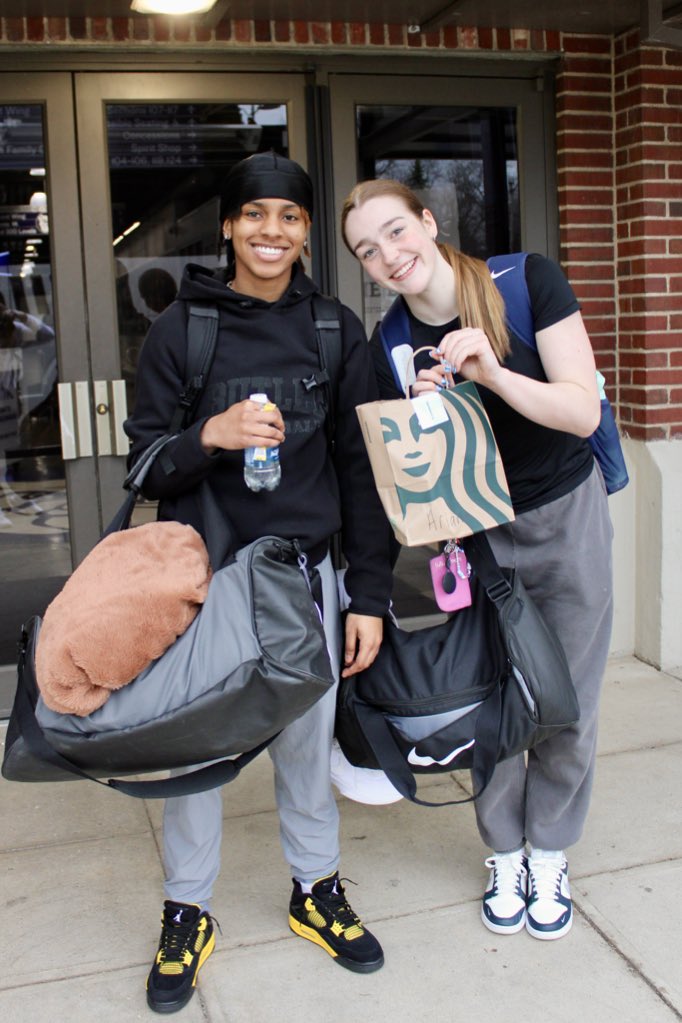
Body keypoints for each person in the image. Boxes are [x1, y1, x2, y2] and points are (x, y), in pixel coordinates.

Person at [125, 152, 392, 1013]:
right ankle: (187, 908)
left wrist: (371, 595)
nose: (271, 231)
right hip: (206, 586)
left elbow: (363, 470)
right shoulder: (182, 330)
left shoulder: (334, 329)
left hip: (306, 582)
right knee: (197, 754)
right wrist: (214, 433)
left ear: (306, 232)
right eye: (256, 215)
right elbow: (145, 468)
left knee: (306, 752)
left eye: (290, 216)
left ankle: (315, 889)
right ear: (230, 227)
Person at [342, 178, 614, 942]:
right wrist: (430, 415)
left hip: (566, 512)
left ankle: (550, 847)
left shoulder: (527, 281)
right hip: (479, 535)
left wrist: (490, 375)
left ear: (428, 222)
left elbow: (581, 409)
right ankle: (504, 850)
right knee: (494, 695)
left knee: (569, 695)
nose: (388, 255)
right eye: (368, 249)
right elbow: (401, 479)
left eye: (397, 232)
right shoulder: (390, 346)